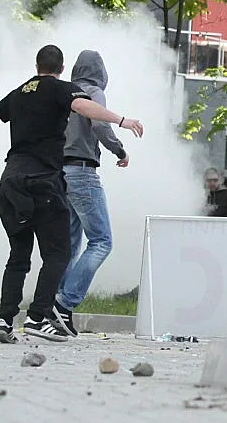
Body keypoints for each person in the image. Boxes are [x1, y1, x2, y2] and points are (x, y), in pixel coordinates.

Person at [0, 45, 143, 344]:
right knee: (59, 252)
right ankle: (38, 317)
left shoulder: (22, 91)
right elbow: (84, 108)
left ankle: (5, 320)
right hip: (43, 181)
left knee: (18, 256)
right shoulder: (62, 89)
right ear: (61, 68)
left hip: (10, 182)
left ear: (37, 65)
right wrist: (122, 121)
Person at [53, 50, 130, 338]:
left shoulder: (65, 92)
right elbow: (100, 125)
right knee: (101, 241)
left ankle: (54, 309)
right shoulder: (94, 93)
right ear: (101, 72)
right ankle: (64, 303)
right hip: (82, 172)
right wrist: (119, 150)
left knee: (70, 243)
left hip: (59, 172)